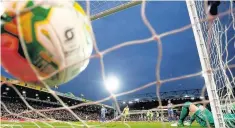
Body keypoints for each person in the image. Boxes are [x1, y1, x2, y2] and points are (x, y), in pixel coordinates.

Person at [171, 102, 235, 127]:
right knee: (199, 106)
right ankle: (189, 122)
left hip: (215, 121)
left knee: (187, 104)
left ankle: (180, 122)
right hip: (218, 119)